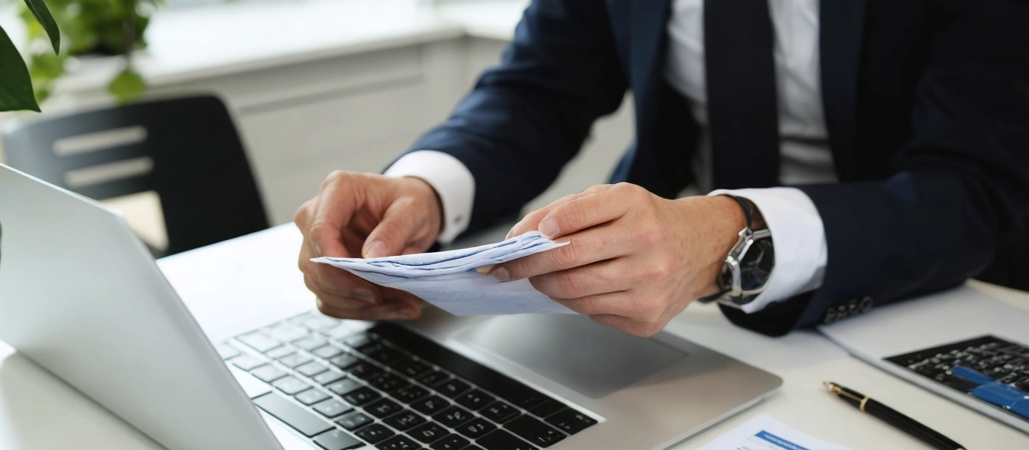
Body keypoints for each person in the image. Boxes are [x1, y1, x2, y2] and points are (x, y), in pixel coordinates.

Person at [294, 0, 1029, 338]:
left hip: (914, 296)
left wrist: (732, 238)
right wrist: (425, 187)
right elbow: (540, 89)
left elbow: (970, 189)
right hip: (664, 307)